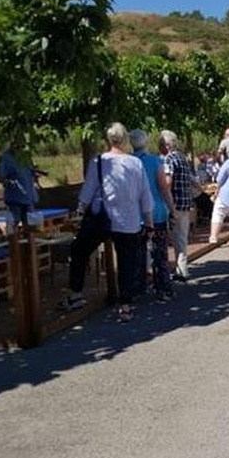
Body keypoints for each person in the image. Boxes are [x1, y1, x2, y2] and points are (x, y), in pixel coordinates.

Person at [65, 123, 154, 322]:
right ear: (125, 140)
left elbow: (87, 192)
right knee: (126, 262)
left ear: (108, 140)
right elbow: (144, 195)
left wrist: (79, 212)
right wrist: (148, 222)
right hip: (128, 220)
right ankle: (125, 306)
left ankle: (76, 294)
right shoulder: (134, 163)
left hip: (101, 219)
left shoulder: (97, 161)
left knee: (79, 251)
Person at [131, 129, 176, 302]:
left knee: (138, 253)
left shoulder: (129, 163)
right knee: (160, 252)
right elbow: (164, 189)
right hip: (157, 212)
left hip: (136, 215)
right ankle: (163, 289)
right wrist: (172, 209)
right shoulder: (155, 161)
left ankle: (138, 287)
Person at [158, 130, 195, 282]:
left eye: (160, 144)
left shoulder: (169, 159)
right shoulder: (183, 158)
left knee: (168, 239)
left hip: (173, 204)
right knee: (181, 239)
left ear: (167, 145)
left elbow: (168, 182)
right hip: (185, 203)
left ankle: (169, 272)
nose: (159, 148)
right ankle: (182, 269)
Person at [0, 136, 39, 227]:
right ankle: (13, 240)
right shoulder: (6, 157)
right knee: (13, 224)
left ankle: (31, 240)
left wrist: (35, 175)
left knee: (32, 225)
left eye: (22, 145)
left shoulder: (26, 156)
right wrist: (7, 182)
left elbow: (31, 172)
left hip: (28, 197)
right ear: (12, 144)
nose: (20, 147)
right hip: (14, 198)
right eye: (17, 144)